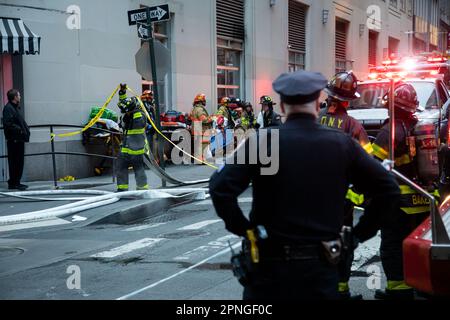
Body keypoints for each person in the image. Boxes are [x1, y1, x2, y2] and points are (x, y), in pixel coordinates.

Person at [209, 70, 400, 300]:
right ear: (318, 100)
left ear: (281, 105)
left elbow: (220, 187)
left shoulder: (263, 141)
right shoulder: (342, 144)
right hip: (320, 271)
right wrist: (358, 235)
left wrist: (245, 229)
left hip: (269, 271)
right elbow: (388, 189)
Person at [372, 83, 433, 300]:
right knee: (418, 246)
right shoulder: (419, 128)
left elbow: (374, 166)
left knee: (392, 244)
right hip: (423, 199)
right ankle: (422, 285)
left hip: (398, 202)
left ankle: (398, 289)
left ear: (392, 105)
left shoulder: (389, 131)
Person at [321, 71, 373, 300]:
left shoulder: (313, 120)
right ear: (347, 100)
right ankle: (341, 291)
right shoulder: (353, 126)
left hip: (311, 197)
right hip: (342, 200)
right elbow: (368, 165)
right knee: (342, 243)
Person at [116, 84, 149, 192]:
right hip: (126, 145)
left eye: (127, 111)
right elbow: (124, 103)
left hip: (136, 147)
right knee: (120, 166)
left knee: (138, 169)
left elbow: (133, 131)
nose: (126, 113)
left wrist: (125, 122)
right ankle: (122, 189)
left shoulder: (138, 116)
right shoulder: (130, 110)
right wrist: (122, 93)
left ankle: (142, 189)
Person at [3, 89, 30, 191]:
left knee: (19, 162)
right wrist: (20, 130)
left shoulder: (14, 108)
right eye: (18, 95)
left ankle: (16, 182)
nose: (20, 97)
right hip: (14, 140)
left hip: (18, 139)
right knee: (15, 162)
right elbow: (8, 124)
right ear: (14, 97)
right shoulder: (8, 108)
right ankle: (14, 183)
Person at [190, 93, 212, 162]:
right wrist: (212, 118)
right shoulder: (200, 109)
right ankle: (202, 160)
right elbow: (204, 119)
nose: (205, 101)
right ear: (201, 101)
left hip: (197, 129)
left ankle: (199, 160)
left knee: (198, 146)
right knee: (203, 145)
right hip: (202, 130)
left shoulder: (195, 109)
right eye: (204, 100)